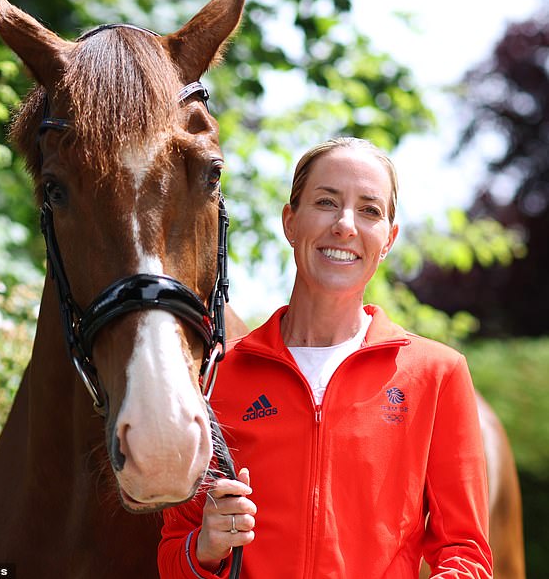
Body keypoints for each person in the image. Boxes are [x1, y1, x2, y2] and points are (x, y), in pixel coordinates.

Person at [157, 137, 493, 578]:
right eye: (326, 202)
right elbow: (171, 554)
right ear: (290, 222)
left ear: (388, 239)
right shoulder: (215, 377)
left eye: (370, 210)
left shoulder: (438, 374)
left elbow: (465, 554)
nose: (345, 225)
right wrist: (204, 547)